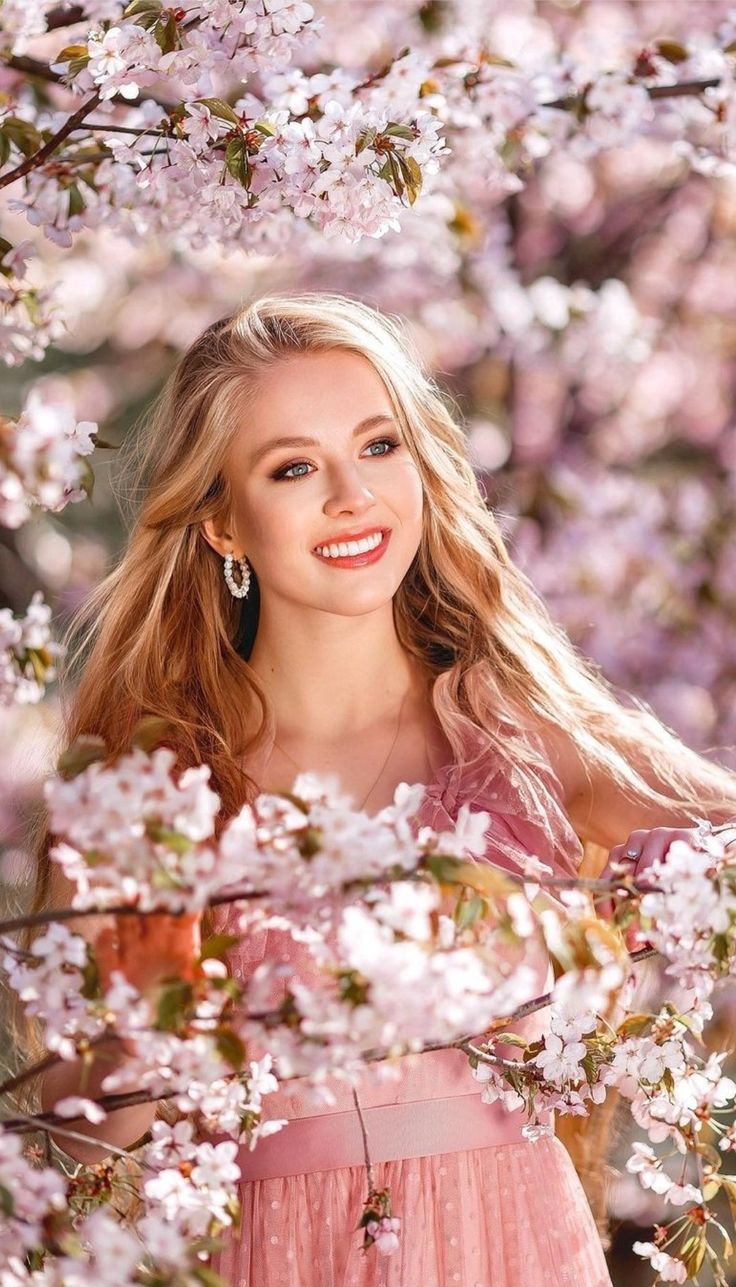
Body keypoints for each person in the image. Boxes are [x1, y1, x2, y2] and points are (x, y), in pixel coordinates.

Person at [29, 292, 736, 1286]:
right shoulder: (154, 789)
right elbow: (63, 1168)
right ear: (223, 521)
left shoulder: (523, 739)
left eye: (377, 447)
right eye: (293, 467)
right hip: (256, 1257)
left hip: (511, 1248)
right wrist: (148, 1022)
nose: (351, 496)